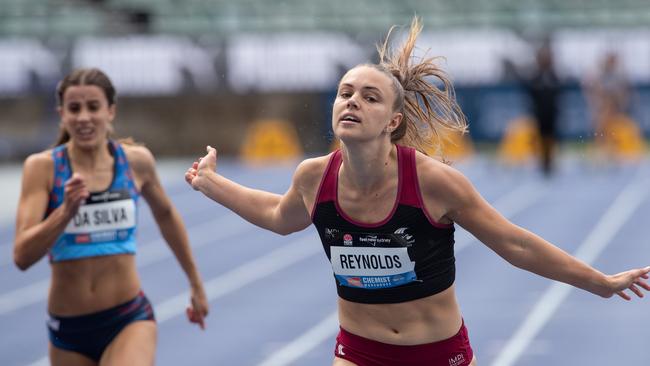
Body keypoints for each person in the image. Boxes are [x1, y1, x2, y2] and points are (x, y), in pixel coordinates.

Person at [185, 18, 650, 366]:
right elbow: (277, 214)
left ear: (393, 121)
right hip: (359, 350)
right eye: (345, 92)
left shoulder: (433, 182)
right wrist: (211, 182)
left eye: (369, 97)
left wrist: (600, 282)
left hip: (438, 353)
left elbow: (513, 243)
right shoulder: (314, 177)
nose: (352, 101)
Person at [13, 68, 209, 366]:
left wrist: (195, 283)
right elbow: (22, 256)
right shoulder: (43, 169)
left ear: (110, 111)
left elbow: (167, 215)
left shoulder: (135, 162)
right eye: (74, 108)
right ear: (61, 114)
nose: (83, 117)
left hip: (127, 318)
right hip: (68, 329)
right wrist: (65, 212)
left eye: (93, 107)